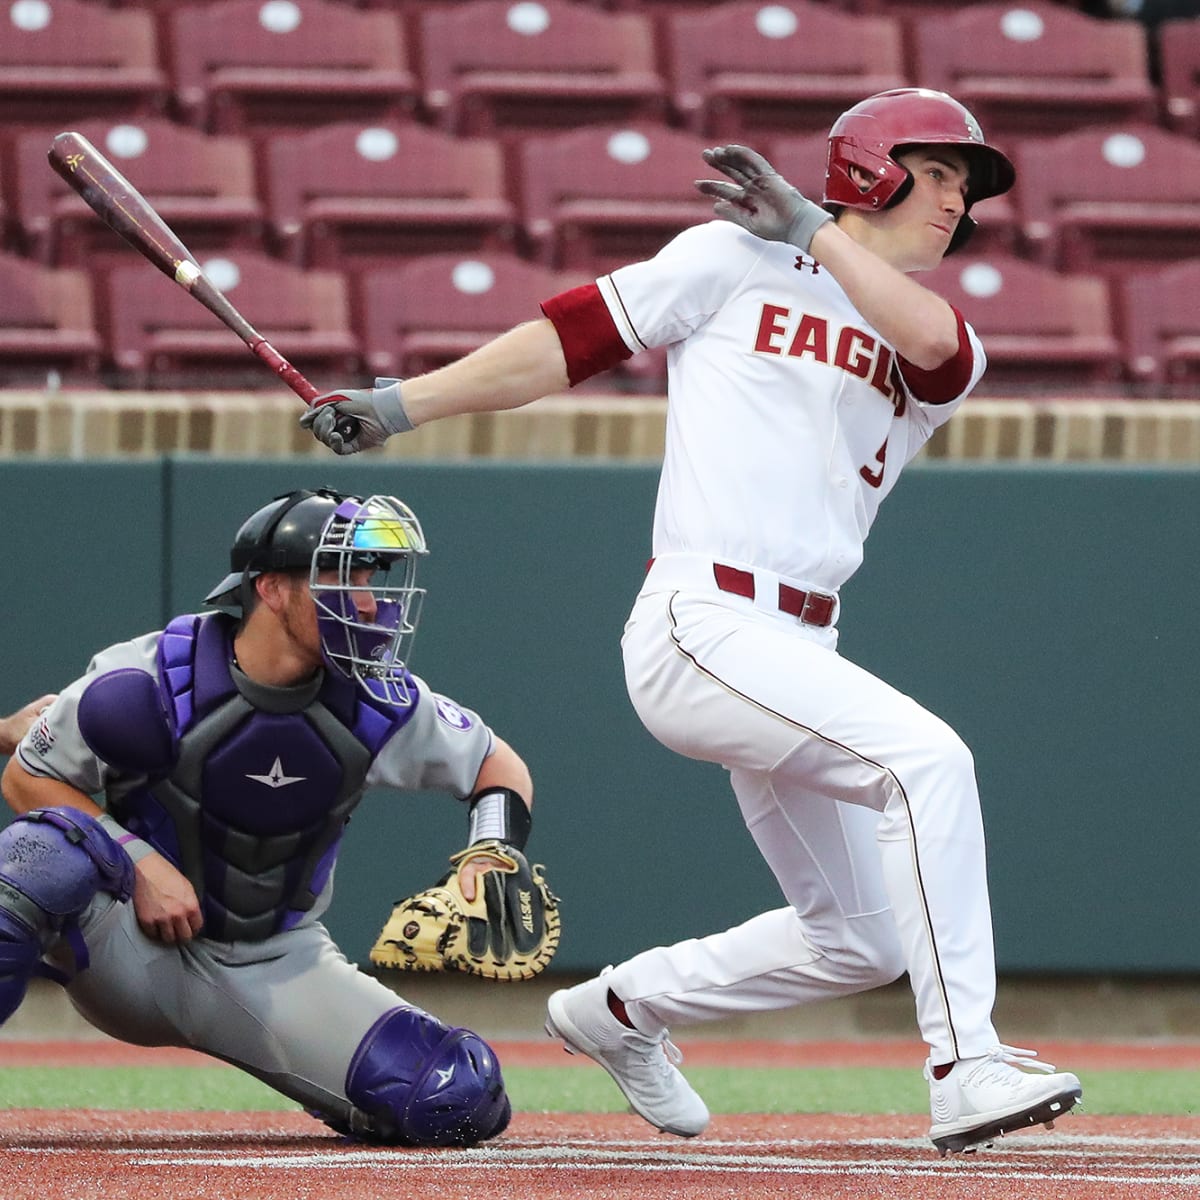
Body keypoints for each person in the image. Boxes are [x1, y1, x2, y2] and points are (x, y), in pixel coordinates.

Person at [302, 88, 1083, 1155]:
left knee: (858, 938)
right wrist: (399, 405)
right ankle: (965, 1067)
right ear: (871, 166)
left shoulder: (936, 336)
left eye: (965, 184)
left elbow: (935, 344)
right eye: (939, 171)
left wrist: (812, 231)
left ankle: (619, 1009)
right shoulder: (726, 258)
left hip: (798, 643)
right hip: (702, 619)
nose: (956, 198)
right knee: (928, 762)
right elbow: (563, 342)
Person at [0, 487, 535, 1146]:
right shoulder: (149, 679)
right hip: (126, 947)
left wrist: (491, 850)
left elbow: (497, 765)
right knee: (38, 858)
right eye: (344, 575)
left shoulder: (379, 696)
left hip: (276, 961)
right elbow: (26, 776)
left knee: (461, 1096)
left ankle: (344, 1088)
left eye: (370, 576)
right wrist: (139, 865)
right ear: (274, 590)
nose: (368, 598)